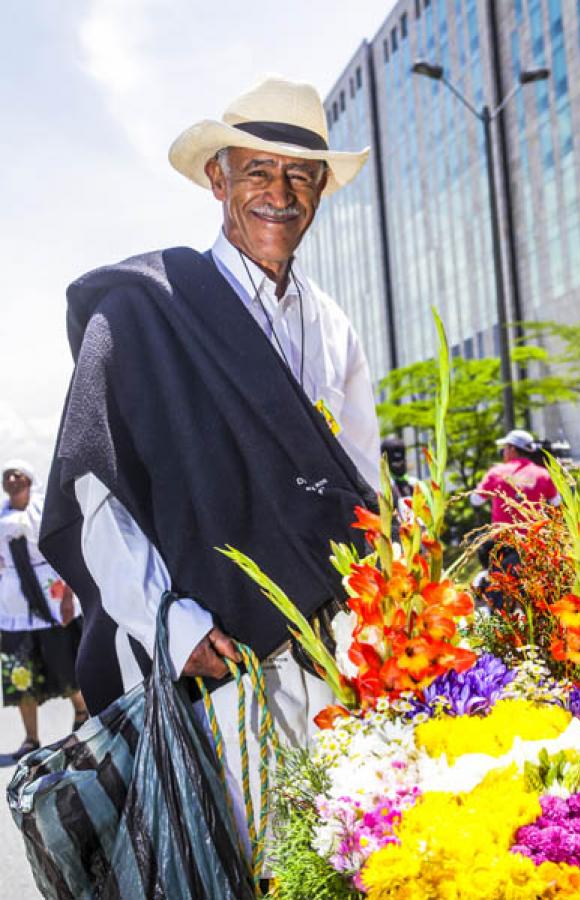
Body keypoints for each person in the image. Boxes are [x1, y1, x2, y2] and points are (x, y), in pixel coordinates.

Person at [40, 76, 380, 854]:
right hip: (203, 657)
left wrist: (373, 617)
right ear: (216, 178)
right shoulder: (144, 308)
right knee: (224, 854)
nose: (279, 192)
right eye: (257, 170)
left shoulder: (332, 327)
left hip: (323, 654)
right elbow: (98, 495)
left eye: (301, 174)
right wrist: (172, 623)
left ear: (322, 189)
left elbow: (362, 489)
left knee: (329, 854)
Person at [0, 460, 87, 759]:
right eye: (7, 475)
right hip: (15, 610)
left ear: (29, 479)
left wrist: (67, 596)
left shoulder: (43, 512)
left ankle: (82, 714)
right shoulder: (0, 517)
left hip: (51, 600)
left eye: (18, 473)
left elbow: (65, 552)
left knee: (65, 665)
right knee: (20, 672)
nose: (12, 478)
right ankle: (31, 739)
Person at [471, 429, 560, 609]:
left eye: (505, 448)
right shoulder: (542, 474)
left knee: (501, 601)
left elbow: (475, 499)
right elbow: (557, 502)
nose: (503, 452)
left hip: (505, 545)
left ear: (512, 449)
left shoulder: (498, 472)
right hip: (535, 547)